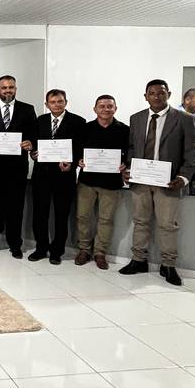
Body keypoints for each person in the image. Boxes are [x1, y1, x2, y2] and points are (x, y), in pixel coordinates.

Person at [120, 79, 195, 286]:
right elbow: (131, 148)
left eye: (161, 93)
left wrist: (183, 177)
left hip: (168, 181)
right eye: (152, 93)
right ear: (145, 96)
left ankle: (168, 265)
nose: (157, 96)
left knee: (167, 225)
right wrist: (128, 169)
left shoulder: (185, 119)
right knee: (140, 221)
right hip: (140, 181)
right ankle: (138, 260)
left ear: (169, 94)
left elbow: (192, 153)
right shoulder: (136, 119)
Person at [0, 75, 37, 258]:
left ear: (16, 89)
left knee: (15, 208)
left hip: (17, 169)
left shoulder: (27, 110)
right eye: (4, 88)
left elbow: (34, 134)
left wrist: (30, 143)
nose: (8, 90)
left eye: (11, 87)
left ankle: (15, 244)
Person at [28, 89, 86, 265]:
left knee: (61, 216)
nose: (57, 105)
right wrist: (33, 154)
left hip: (64, 177)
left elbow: (81, 149)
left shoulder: (78, 122)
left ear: (66, 102)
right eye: (53, 102)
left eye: (60, 101)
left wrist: (73, 162)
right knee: (40, 214)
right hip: (41, 176)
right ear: (47, 104)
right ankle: (41, 248)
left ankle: (57, 251)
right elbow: (33, 146)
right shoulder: (40, 121)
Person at [75, 95, 129, 270]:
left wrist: (125, 164)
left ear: (115, 108)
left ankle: (100, 253)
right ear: (95, 109)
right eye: (102, 106)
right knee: (83, 217)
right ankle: (84, 249)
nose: (106, 109)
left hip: (111, 183)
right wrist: (78, 161)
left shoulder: (125, 130)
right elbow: (75, 151)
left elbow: (130, 153)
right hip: (87, 182)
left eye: (109, 106)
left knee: (106, 220)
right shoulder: (84, 129)